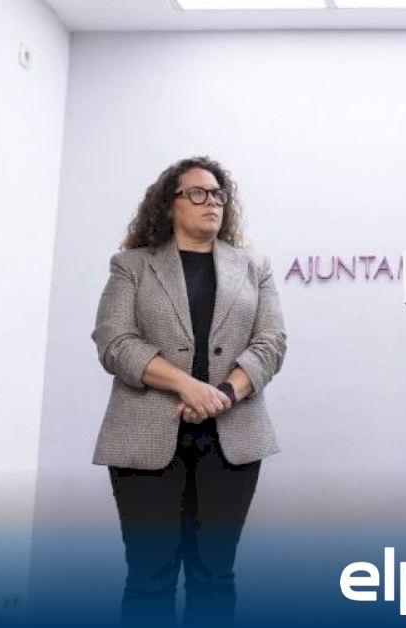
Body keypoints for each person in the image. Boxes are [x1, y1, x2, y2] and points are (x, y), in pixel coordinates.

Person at [92, 156, 286, 627]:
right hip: (145, 438)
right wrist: (188, 386)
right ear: (168, 204)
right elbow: (114, 341)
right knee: (149, 578)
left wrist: (223, 395)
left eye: (218, 194)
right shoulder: (132, 265)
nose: (211, 202)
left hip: (231, 439)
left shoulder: (254, 267)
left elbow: (271, 343)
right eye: (197, 193)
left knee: (214, 577)